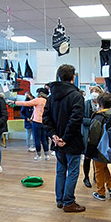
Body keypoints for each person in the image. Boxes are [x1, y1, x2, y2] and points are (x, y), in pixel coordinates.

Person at [43, 64, 86, 213]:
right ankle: (69, 202)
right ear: (73, 78)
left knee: (61, 170)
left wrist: (54, 136)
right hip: (71, 141)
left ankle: (60, 200)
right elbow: (75, 120)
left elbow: (46, 118)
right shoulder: (76, 96)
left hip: (57, 141)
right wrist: (65, 138)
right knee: (73, 171)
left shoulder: (51, 97)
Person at [87, 92, 111, 201]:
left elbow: (93, 136)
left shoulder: (98, 118)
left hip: (99, 148)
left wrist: (89, 151)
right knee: (104, 167)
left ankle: (101, 192)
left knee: (98, 169)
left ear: (99, 104)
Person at [15, 88, 49, 161]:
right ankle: (46, 155)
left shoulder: (38, 100)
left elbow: (26, 103)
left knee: (37, 138)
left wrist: (15, 102)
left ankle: (39, 155)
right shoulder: (47, 100)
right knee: (44, 139)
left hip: (37, 122)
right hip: (44, 122)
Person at [82, 85, 102, 187]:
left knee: (97, 157)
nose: (94, 93)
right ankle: (86, 177)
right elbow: (82, 118)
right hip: (87, 133)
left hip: (98, 134)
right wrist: (93, 122)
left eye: (96, 91)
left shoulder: (102, 104)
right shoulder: (86, 104)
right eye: (93, 91)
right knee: (87, 156)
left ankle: (96, 175)